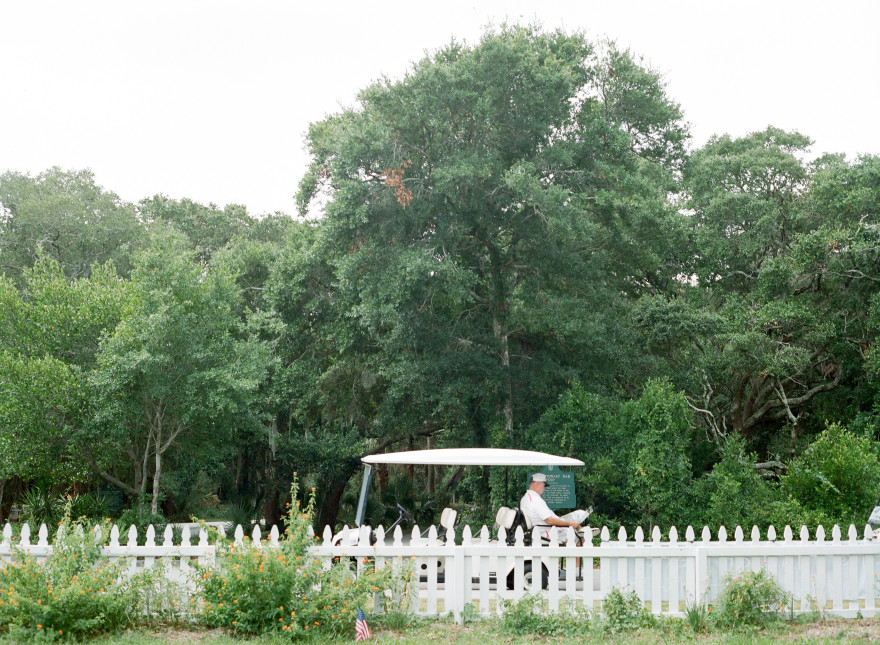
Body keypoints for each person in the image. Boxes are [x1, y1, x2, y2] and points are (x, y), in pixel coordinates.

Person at [519, 473, 592, 543]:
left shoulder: (525, 498)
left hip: (541, 530)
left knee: (577, 528)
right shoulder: (536, 500)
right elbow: (550, 520)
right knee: (582, 536)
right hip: (547, 533)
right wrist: (570, 523)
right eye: (544, 486)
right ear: (538, 484)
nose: (544, 489)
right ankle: (574, 555)